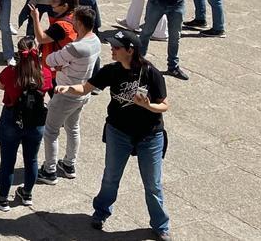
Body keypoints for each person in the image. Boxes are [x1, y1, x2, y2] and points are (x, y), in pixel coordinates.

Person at [54, 31, 172, 241]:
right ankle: (101, 211)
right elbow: (85, 88)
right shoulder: (111, 71)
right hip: (119, 132)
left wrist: (148, 105)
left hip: (150, 135)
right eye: (112, 46)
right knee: (111, 177)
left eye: (117, 47)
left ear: (130, 50)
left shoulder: (151, 73)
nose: (112, 49)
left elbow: (164, 104)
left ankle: (160, 225)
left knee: (152, 184)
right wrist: (68, 88)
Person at [0, 37, 53, 212]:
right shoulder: (44, 73)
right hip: (36, 122)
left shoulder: (11, 72)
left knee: (8, 160)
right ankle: (27, 194)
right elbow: (48, 90)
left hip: (11, 119)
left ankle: (3, 198)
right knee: (32, 159)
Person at [38, 6, 99, 184]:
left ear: (79, 23)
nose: (71, 22)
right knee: (73, 128)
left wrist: (62, 66)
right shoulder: (95, 41)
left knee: (51, 131)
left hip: (65, 94)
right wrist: (65, 66)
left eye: (74, 20)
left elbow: (49, 60)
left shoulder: (75, 47)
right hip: (82, 92)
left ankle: (49, 170)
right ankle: (69, 164)